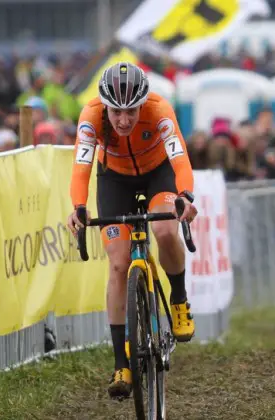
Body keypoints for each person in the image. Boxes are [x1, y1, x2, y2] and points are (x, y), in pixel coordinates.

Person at [66, 62, 198, 399]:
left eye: (131, 111)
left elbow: (180, 158)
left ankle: (179, 298)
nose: (124, 120)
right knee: (117, 264)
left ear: (143, 103)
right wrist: (79, 206)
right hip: (114, 180)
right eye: (116, 112)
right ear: (104, 106)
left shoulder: (160, 110)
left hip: (158, 174)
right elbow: (82, 167)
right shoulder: (91, 116)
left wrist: (184, 197)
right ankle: (120, 362)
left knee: (166, 231)